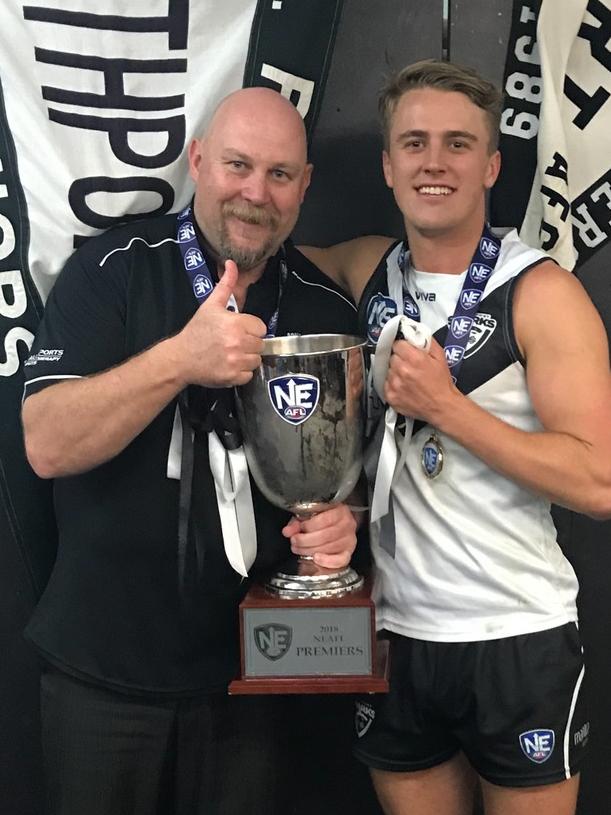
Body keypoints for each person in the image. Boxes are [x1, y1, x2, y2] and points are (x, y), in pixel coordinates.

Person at [21, 87, 364, 815]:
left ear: (304, 187)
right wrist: (179, 358)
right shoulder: (112, 270)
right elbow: (46, 443)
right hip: (103, 674)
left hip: (252, 679)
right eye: (237, 165)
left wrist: (342, 525)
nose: (255, 192)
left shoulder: (323, 314)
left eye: (279, 174)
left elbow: (342, 478)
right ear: (198, 162)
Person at [301, 59, 611, 815]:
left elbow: (600, 482)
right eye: (412, 143)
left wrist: (449, 408)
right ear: (385, 164)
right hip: (395, 631)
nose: (432, 162)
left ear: (491, 164)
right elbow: (253, 257)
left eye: (456, 144)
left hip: (515, 631)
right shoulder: (367, 268)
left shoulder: (539, 291)